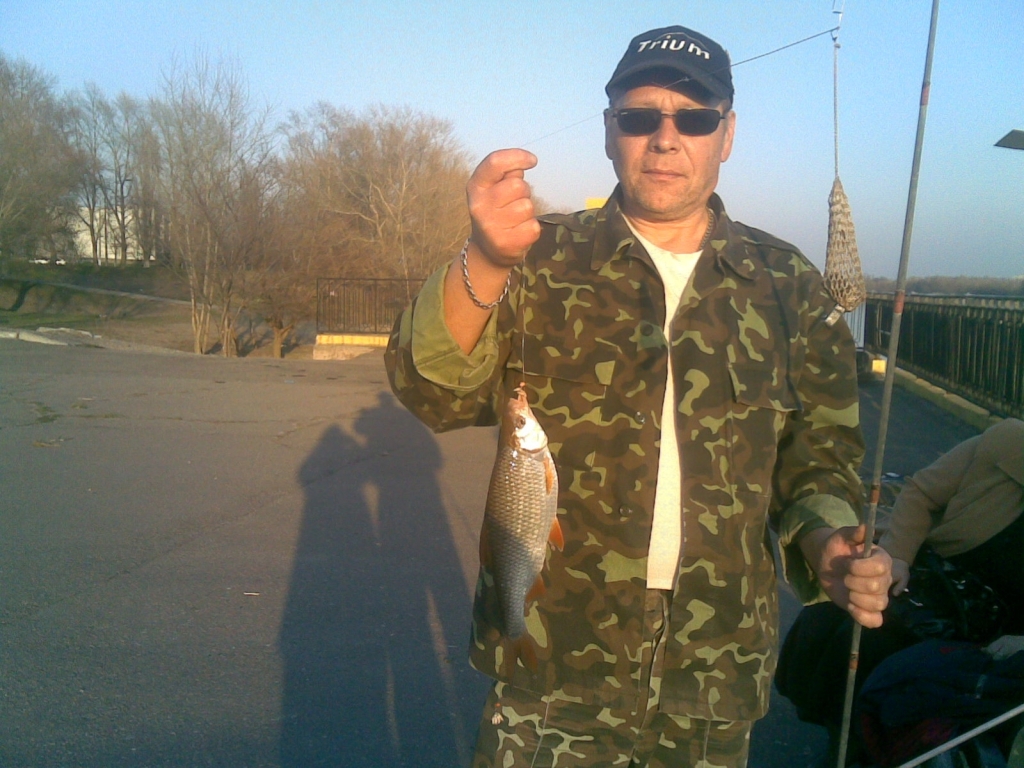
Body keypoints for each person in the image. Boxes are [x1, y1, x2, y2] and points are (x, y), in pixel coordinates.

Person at [385, 24, 892, 768]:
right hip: (552, 673)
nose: (665, 137)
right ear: (608, 131)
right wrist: (485, 260)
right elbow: (430, 394)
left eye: (695, 117)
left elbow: (819, 460)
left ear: (727, 135)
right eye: (639, 116)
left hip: (713, 683)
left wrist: (831, 544)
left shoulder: (789, 287)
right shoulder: (536, 260)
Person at [881, 417, 1024, 656]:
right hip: (933, 589)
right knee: (844, 631)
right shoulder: (1010, 443)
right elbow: (922, 493)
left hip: (994, 650)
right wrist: (898, 556)